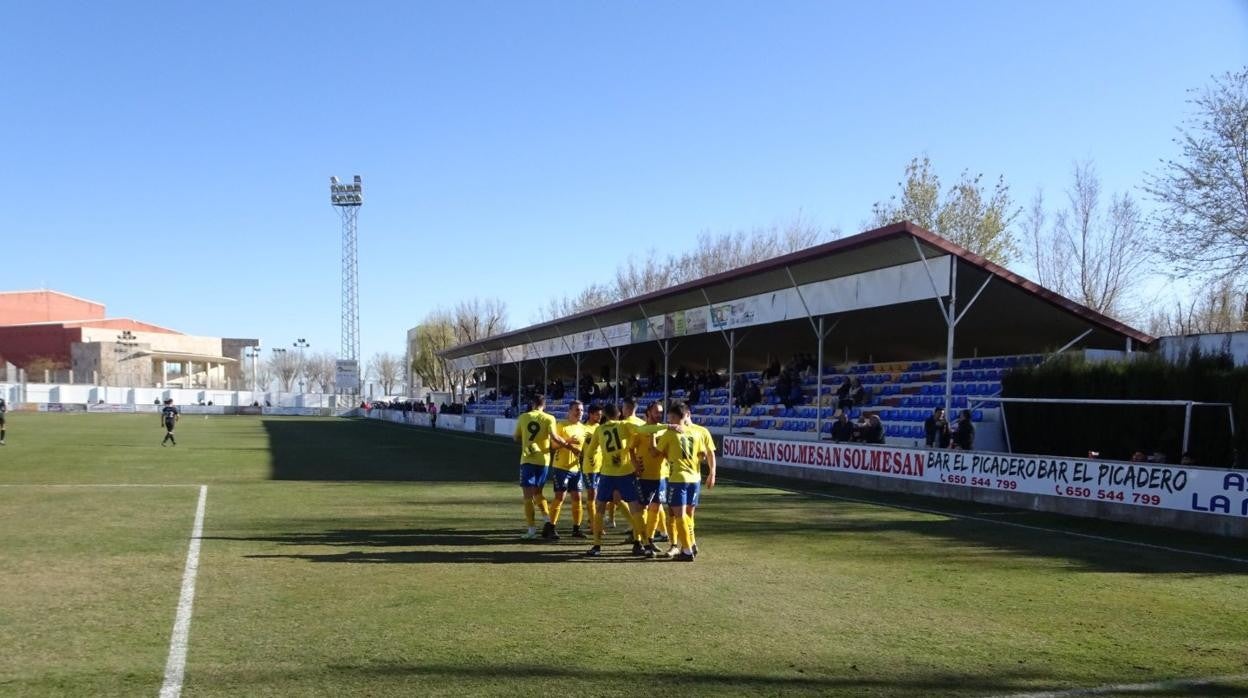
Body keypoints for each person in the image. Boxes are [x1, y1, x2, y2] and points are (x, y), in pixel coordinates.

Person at [585, 403, 648, 558]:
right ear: (619, 413)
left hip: (607, 474)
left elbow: (590, 451)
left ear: (605, 415)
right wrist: (667, 426)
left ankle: (597, 546)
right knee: (635, 508)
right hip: (626, 473)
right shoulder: (625, 425)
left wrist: (592, 460)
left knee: (600, 508)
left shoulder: (600, 430)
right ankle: (644, 544)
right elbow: (643, 430)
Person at [656, 401, 716, 561]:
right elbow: (702, 454)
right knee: (686, 515)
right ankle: (689, 544)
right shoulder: (696, 434)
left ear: (678, 416)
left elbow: (656, 454)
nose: (669, 420)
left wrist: (652, 442)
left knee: (679, 515)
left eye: (670, 417)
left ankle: (687, 550)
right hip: (694, 479)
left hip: (678, 478)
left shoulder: (670, 433)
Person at [513, 395, 571, 540]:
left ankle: (531, 530)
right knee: (538, 493)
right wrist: (569, 446)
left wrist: (527, 440)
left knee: (527, 496)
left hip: (528, 459)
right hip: (543, 460)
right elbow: (554, 437)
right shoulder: (549, 418)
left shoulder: (524, 417)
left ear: (532, 404)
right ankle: (547, 520)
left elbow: (515, 437)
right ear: (544, 405)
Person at [631, 401, 671, 557]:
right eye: (656, 412)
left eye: (660, 412)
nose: (659, 414)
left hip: (661, 475)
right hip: (644, 476)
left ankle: (649, 539)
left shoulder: (663, 431)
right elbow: (630, 449)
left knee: (655, 508)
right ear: (648, 412)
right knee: (641, 509)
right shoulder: (641, 430)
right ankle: (637, 541)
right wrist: (635, 465)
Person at [548, 401, 588, 539]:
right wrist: (568, 442)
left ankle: (576, 528)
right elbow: (553, 445)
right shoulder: (561, 426)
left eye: (582, 410)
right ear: (569, 411)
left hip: (576, 468)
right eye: (577, 410)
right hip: (561, 467)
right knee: (560, 497)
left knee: (577, 498)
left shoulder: (583, 428)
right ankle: (551, 527)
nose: (580, 412)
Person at [578, 403, 604, 531]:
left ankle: (592, 520)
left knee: (600, 496)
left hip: (601, 467)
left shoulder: (600, 427)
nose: (600, 416)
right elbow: (580, 449)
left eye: (601, 414)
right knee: (592, 495)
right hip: (589, 467)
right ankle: (594, 524)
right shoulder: (584, 429)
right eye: (597, 414)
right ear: (591, 414)